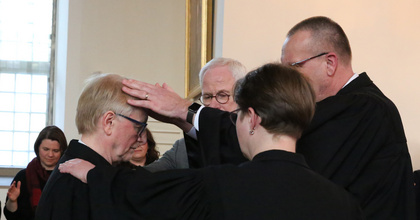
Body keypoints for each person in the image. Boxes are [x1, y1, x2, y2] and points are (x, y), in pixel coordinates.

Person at [119, 16, 415, 219]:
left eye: (293, 67)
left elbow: (278, 169)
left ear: (330, 62)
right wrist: (188, 118)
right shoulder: (352, 106)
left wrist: (187, 110)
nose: (287, 78)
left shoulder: (365, 109)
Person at [60, 63, 364, 220]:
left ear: (253, 118)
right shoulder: (344, 203)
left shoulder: (221, 185)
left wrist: (93, 173)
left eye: (238, 115)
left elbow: (145, 193)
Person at [34, 73, 148, 220]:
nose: (141, 139)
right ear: (109, 122)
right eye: (138, 127)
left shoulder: (88, 171)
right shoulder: (78, 181)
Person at [144, 57, 247, 172]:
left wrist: (180, 107)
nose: (213, 105)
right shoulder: (181, 149)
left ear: (242, 98)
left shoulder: (255, 142)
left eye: (222, 95)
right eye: (207, 97)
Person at [3, 125, 68, 220]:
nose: (50, 154)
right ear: (37, 148)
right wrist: (13, 201)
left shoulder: (68, 177)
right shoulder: (23, 176)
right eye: (46, 149)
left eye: (55, 150)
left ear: (62, 151)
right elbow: (10, 216)